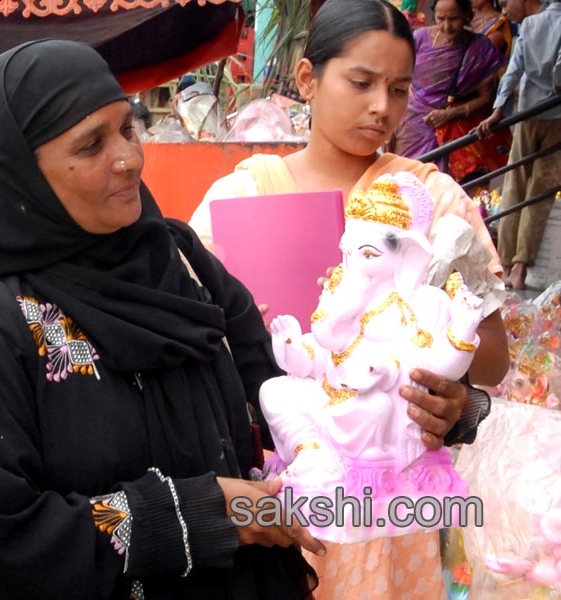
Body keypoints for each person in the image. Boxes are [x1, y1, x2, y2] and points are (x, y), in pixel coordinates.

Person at [0, 38, 325, 600]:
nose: (128, 158)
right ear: (18, 173)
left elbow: (285, 389)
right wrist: (197, 513)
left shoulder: (178, 262)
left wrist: (419, 398)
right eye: (91, 143)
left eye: (127, 129)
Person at [188, 0, 510, 597]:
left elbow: (494, 354)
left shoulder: (430, 201)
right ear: (309, 78)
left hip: (388, 502)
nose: (381, 107)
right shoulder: (241, 197)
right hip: (273, 489)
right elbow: (182, 329)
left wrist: (455, 393)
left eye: (399, 89)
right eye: (361, 83)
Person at [477, 0, 561, 290]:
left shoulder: (530, 26)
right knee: (540, 194)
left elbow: (513, 70)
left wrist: (498, 108)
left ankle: (506, 264)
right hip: (557, 116)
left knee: (514, 185)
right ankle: (521, 269)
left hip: (528, 113)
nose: (505, 8)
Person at [394, 0, 508, 183]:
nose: (446, 26)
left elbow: (487, 98)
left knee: (444, 186)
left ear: (466, 15)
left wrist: (452, 113)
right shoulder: (419, 38)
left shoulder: (478, 48)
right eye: (441, 19)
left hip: (451, 131)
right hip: (411, 126)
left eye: (453, 19)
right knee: (408, 180)